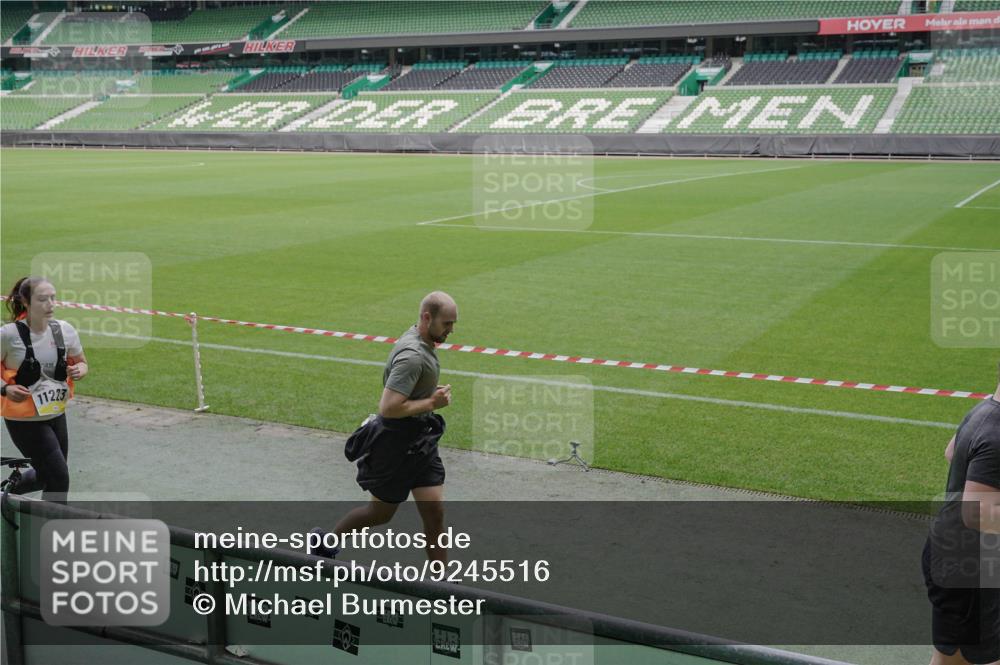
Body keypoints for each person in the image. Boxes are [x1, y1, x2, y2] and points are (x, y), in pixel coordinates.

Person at [311, 291, 457, 562]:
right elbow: (388, 407)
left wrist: (425, 395)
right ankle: (325, 544)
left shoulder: (420, 339)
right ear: (427, 318)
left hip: (421, 440)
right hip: (397, 446)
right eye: (447, 324)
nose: (451, 330)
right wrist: (431, 403)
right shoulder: (412, 356)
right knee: (380, 514)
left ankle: (443, 580)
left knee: (434, 511)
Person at [923, 366, 1000, 665]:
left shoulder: (982, 411)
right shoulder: (996, 435)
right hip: (966, 570)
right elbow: (977, 513)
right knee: (953, 660)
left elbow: (952, 452)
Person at [1, 277, 88, 500]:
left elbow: (81, 362)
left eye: (53, 298)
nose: (50, 304)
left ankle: (4, 493)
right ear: (26, 302)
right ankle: (50, 531)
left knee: (45, 476)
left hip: (56, 414)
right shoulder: (8, 335)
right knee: (59, 478)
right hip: (24, 420)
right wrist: (5, 389)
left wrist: (79, 369)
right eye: (42, 299)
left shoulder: (65, 331)